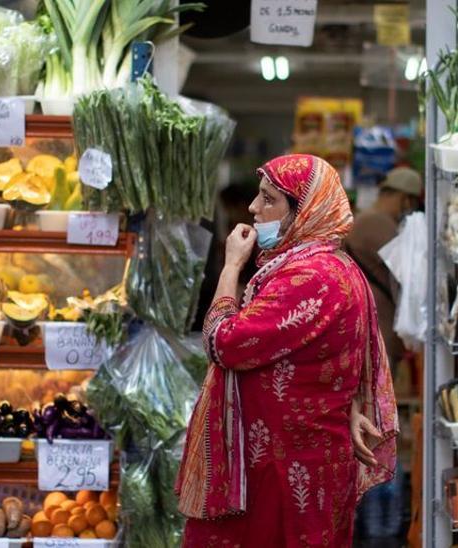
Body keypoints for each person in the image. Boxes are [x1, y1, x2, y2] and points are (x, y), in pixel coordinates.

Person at [176, 154, 399, 546]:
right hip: (296, 460)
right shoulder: (329, 268)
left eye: (268, 199)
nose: (253, 208)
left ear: (303, 211)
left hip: (284, 470)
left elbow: (222, 342)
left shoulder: (310, 277)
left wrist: (230, 267)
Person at [343, 167, 423, 370]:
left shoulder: (367, 218)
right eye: (413, 202)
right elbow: (409, 270)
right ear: (405, 199)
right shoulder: (377, 222)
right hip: (377, 323)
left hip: (370, 319)